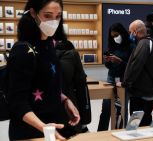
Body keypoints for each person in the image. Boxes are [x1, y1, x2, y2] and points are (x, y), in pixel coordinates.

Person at [7, 0, 80, 140]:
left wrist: (65, 100)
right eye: (47, 16)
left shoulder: (49, 45)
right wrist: (43, 128)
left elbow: (46, 83)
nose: (53, 21)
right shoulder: (23, 50)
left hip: (53, 128)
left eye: (58, 16)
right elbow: (17, 102)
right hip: (30, 131)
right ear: (33, 13)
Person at [119, 20, 153, 126]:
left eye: (130, 32)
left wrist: (125, 83)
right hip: (150, 90)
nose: (129, 35)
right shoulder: (152, 42)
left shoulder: (143, 44)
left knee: (136, 123)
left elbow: (135, 66)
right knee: (146, 119)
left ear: (135, 32)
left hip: (141, 93)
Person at [98, 23, 133, 131]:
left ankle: (121, 131)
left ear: (122, 33)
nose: (115, 38)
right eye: (112, 36)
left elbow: (132, 67)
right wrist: (107, 61)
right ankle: (101, 132)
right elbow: (109, 66)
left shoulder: (131, 46)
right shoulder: (113, 45)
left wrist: (120, 61)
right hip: (111, 78)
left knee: (121, 109)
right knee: (106, 108)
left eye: (116, 35)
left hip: (124, 80)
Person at [55, 40, 91, 134]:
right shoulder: (73, 54)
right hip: (70, 105)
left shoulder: (50, 56)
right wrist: (85, 121)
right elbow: (81, 86)